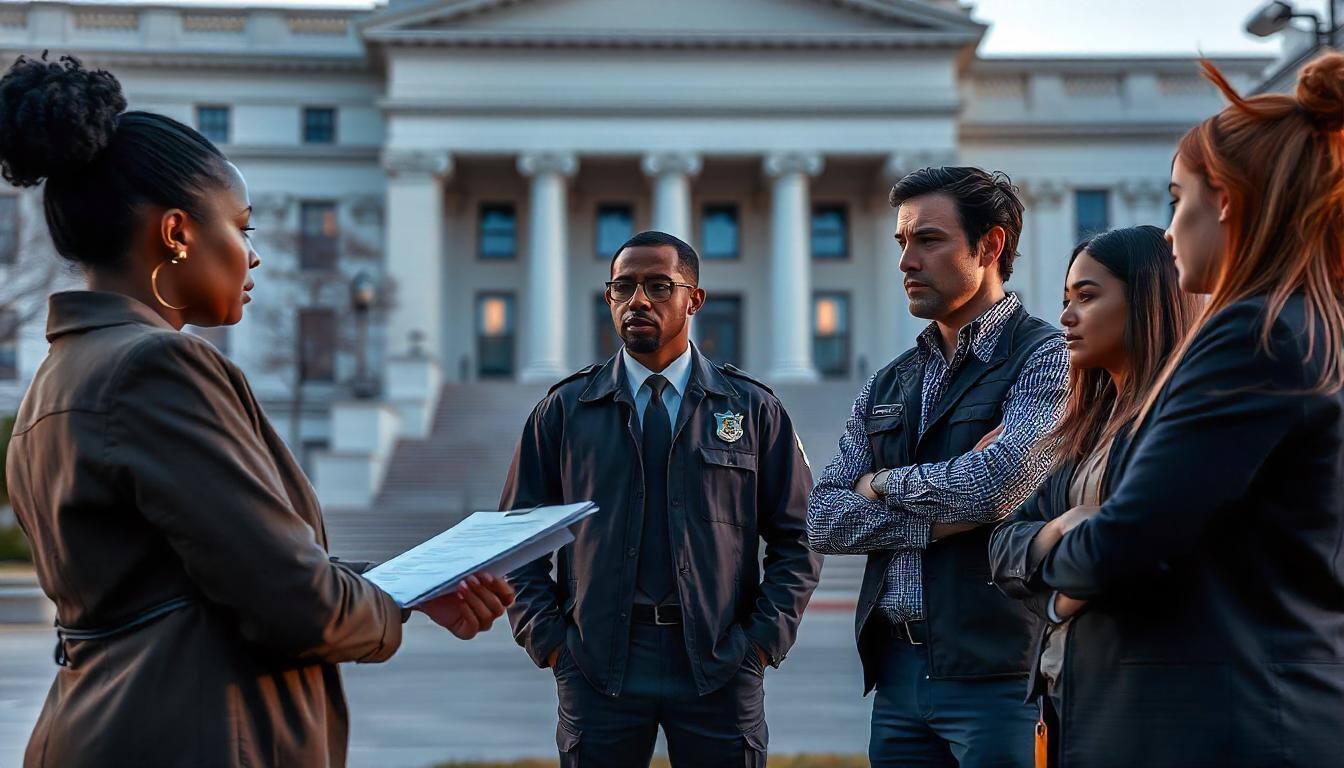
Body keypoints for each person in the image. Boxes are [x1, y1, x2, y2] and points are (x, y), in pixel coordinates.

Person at [0, 54, 513, 768]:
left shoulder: (60, 374)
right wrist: (387, 610)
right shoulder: (158, 366)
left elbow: (210, 570)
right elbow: (294, 603)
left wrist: (408, 589)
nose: (254, 255)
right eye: (243, 227)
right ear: (177, 233)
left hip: (106, 724)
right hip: (195, 736)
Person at [1026, 53, 1344, 767]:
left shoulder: (1252, 336)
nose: (1168, 231)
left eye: (1177, 199)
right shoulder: (1313, 328)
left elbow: (1122, 544)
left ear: (1225, 200)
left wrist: (1052, 541)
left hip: (1214, 731)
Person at [501, 230, 822, 768]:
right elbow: (515, 539)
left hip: (718, 664)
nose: (638, 301)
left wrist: (761, 643)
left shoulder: (752, 408)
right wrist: (552, 642)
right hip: (599, 665)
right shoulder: (564, 411)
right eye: (623, 287)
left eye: (658, 285)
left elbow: (801, 535)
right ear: (608, 299)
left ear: (694, 299)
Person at [807, 166, 1069, 768]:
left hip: (1001, 677)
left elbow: (998, 485)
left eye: (928, 240)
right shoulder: (890, 380)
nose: (905, 261)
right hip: (896, 679)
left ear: (991, 245)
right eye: (902, 242)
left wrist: (877, 486)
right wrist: (942, 512)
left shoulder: (1048, 358)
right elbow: (822, 518)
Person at [988, 226, 1199, 767]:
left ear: (1151, 300)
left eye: (1086, 296)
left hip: (1143, 707)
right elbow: (1004, 548)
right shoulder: (1083, 428)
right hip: (1065, 702)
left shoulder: (1180, 422)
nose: (1066, 318)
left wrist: (1057, 590)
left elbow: (1136, 552)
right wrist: (1061, 529)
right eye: (1065, 299)